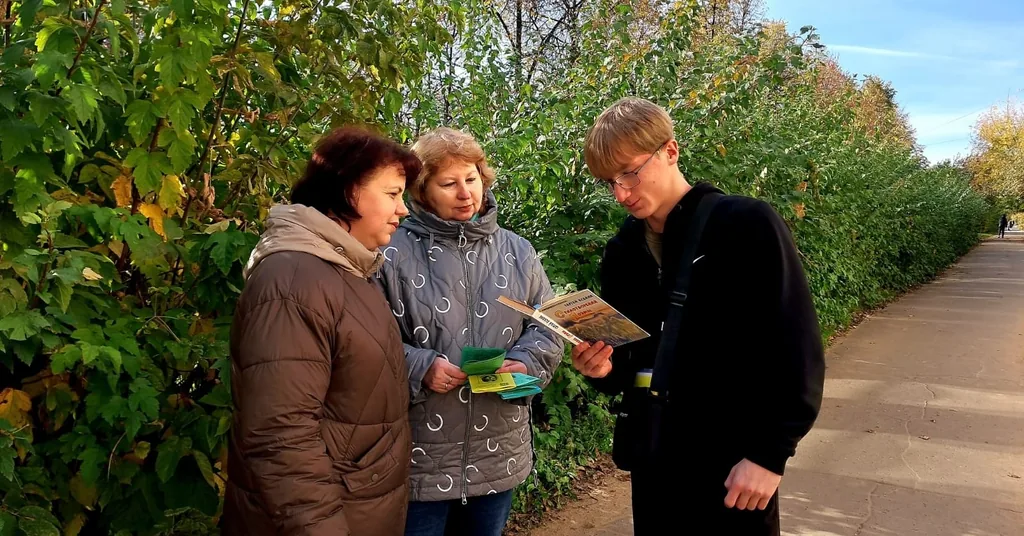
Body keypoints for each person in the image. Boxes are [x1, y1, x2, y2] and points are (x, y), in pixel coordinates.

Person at [571, 98, 825, 536]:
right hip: (654, 459)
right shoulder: (623, 249)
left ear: (670, 151)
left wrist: (769, 455)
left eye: (630, 173)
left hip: (735, 462)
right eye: (609, 182)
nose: (621, 193)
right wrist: (603, 368)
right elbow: (632, 360)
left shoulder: (746, 224)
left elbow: (797, 347)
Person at [224, 126, 418, 536]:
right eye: (392, 193)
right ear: (348, 190)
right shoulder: (293, 281)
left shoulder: (344, 271)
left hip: (358, 508)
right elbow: (280, 433)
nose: (403, 210)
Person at [376, 127, 564, 536]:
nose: (465, 193)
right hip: (418, 457)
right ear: (423, 190)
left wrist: (525, 363)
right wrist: (420, 367)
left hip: (499, 451)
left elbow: (548, 326)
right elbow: (367, 339)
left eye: (472, 179)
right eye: (449, 183)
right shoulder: (389, 252)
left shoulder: (518, 251)